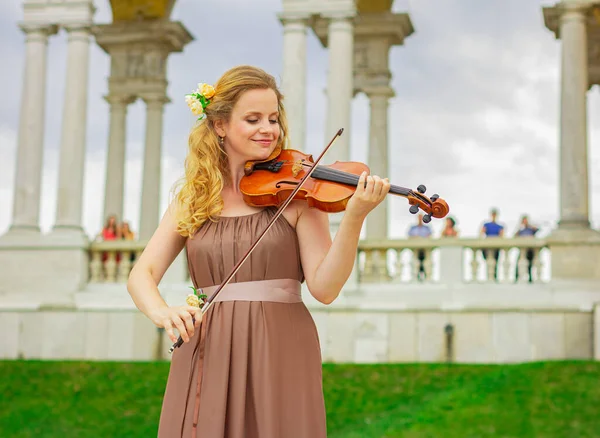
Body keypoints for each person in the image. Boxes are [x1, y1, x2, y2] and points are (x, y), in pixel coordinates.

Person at [126, 65, 391, 438]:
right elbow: (142, 275)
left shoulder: (298, 195)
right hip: (208, 348)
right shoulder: (194, 198)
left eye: (273, 118)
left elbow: (325, 288)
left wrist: (355, 217)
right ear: (220, 125)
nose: (268, 129)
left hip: (280, 345)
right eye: (253, 119)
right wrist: (163, 312)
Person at [480, 208, 504, 281]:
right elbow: (481, 233)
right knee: (488, 262)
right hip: (488, 245)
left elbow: (501, 235)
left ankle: (494, 277)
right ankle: (489, 277)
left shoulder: (500, 226)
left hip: (495, 245)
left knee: (495, 262)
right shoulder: (486, 225)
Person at [514, 214, 539, 282]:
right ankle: (516, 278)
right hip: (522, 250)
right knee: (518, 264)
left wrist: (529, 225)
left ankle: (530, 278)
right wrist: (520, 226)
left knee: (530, 264)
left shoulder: (530, 229)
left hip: (530, 249)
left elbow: (537, 229)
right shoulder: (521, 230)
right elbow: (515, 236)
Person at [407, 213, 432, 281]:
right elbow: (409, 236)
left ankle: (425, 276)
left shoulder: (427, 228)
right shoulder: (413, 228)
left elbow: (429, 236)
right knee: (416, 262)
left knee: (425, 263)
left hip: (424, 249)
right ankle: (416, 276)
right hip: (416, 248)